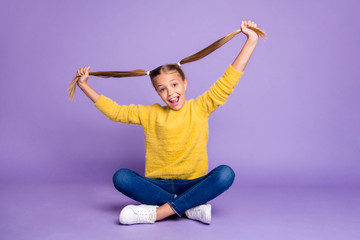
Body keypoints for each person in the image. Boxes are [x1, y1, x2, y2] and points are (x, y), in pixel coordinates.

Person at [75, 20, 262, 225]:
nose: (170, 92)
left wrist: (251, 40)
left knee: (225, 174)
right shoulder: (150, 113)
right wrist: (84, 86)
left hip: (193, 185)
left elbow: (229, 80)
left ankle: (158, 213)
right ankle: (189, 207)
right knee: (121, 177)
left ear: (184, 83)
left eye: (174, 85)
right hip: (158, 186)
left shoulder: (200, 107)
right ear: (157, 93)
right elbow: (116, 112)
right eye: (162, 89)